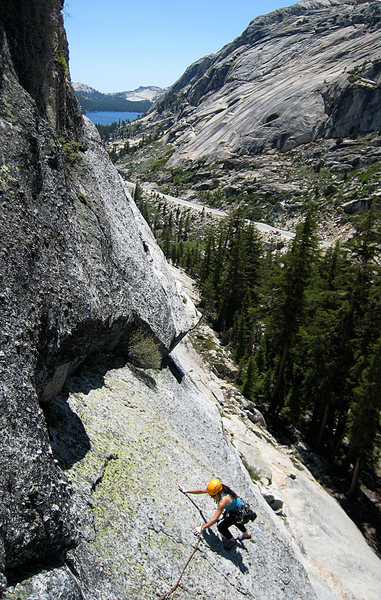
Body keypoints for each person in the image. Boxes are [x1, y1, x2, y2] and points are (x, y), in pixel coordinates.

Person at [178, 478, 253, 550]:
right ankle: (246, 535)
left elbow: (215, 519)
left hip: (237, 513)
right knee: (236, 521)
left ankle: (232, 540)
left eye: (213, 496)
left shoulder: (223, 501)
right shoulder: (220, 489)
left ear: (218, 493)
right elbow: (201, 491)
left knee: (221, 527)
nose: (211, 497)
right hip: (239, 508)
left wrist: (202, 528)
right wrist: (186, 491)